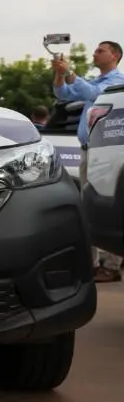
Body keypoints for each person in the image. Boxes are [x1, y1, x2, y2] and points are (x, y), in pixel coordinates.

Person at [52, 40, 124, 282]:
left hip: (107, 152)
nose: (95, 53)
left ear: (115, 56)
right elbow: (62, 94)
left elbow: (94, 96)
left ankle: (112, 266)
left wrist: (69, 72)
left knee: (109, 206)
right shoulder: (95, 81)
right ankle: (92, 265)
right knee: (89, 208)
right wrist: (59, 74)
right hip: (89, 150)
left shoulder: (118, 82)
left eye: (100, 50)